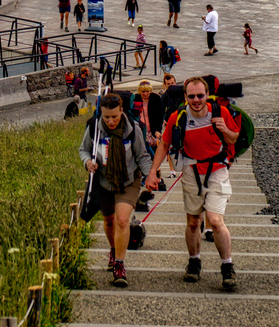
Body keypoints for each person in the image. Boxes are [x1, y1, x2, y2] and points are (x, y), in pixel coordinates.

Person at [147, 76, 239, 291]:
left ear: (207, 95)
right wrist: (153, 172)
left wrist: (224, 129)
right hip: (190, 171)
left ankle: (227, 266)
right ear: (185, 97)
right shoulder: (178, 117)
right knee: (193, 222)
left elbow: (234, 137)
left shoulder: (220, 112)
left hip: (217, 170)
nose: (196, 100)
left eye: (200, 95)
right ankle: (194, 262)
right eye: (191, 96)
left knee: (215, 221)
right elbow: (164, 145)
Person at [81, 92, 156, 288]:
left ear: (122, 111)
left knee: (122, 220)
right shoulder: (93, 128)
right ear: (101, 114)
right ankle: (114, 250)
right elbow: (84, 149)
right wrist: (88, 162)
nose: (111, 121)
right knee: (108, 220)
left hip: (128, 180)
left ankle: (119, 265)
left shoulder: (132, 129)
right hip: (104, 180)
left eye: (114, 116)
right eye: (106, 117)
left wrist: (150, 175)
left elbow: (142, 156)